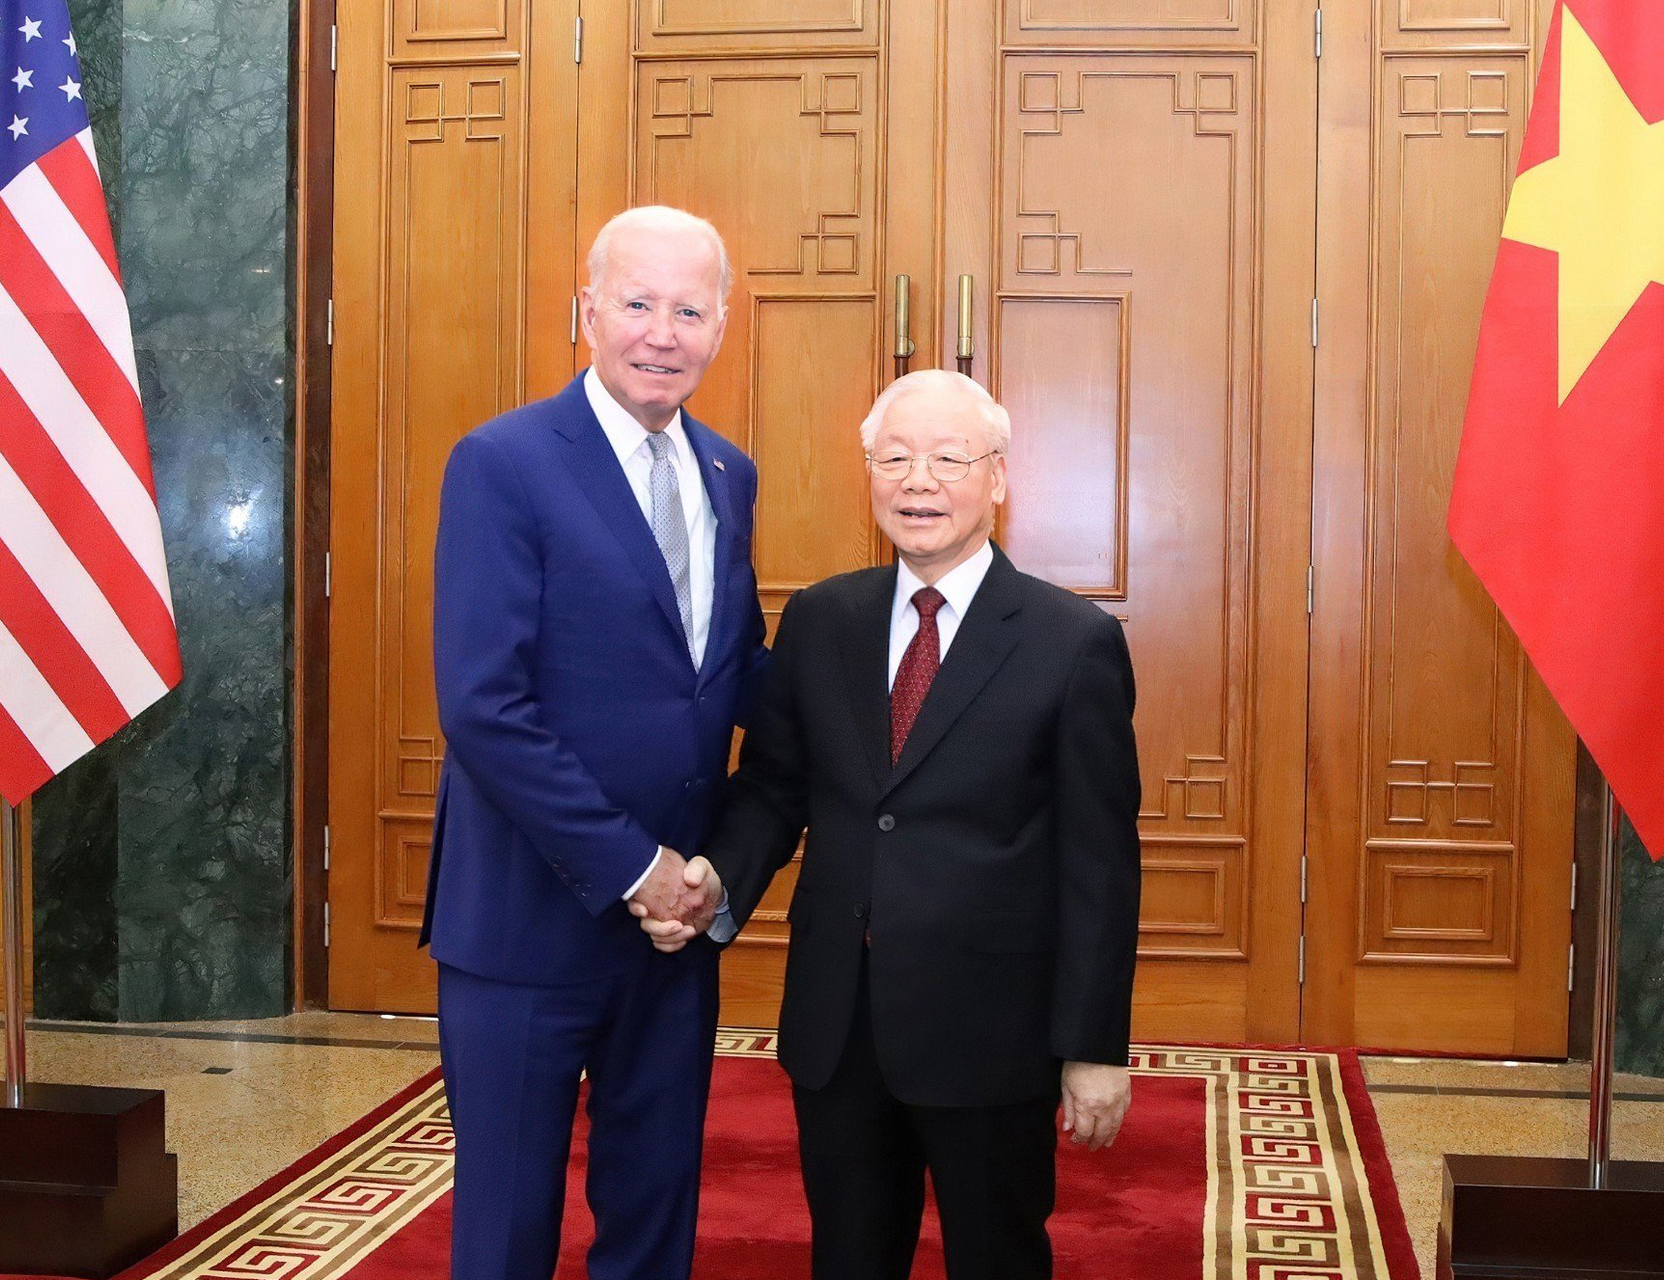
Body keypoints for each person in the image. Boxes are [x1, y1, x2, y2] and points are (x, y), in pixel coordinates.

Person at [637, 369, 1142, 1280]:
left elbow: (1100, 865)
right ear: (868, 475)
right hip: (840, 1023)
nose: (918, 482)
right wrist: (717, 876)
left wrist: (1095, 1046)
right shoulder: (824, 619)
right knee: (850, 1258)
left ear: (996, 479)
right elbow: (775, 788)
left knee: (998, 1257)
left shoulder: (1072, 644)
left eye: (948, 459)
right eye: (895, 458)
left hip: (995, 1032)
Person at [422, 205, 757, 1280]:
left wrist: (699, 878)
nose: (663, 332)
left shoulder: (728, 475)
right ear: (587, 310)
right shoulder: (504, 461)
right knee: (509, 1225)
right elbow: (484, 705)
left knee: (654, 1214)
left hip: (673, 934)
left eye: (690, 309)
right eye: (638, 302)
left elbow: (728, 673)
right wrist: (634, 866)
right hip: (527, 921)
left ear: (722, 324)